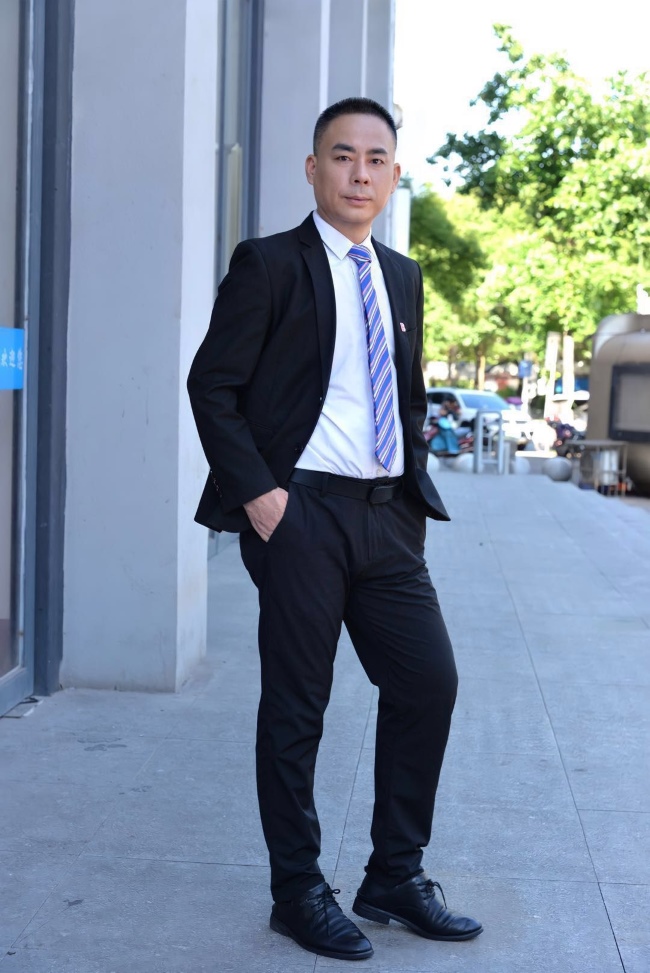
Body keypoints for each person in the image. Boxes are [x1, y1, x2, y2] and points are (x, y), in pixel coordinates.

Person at [187, 97, 481, 962]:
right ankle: (297, 890)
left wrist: (409, 487)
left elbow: (408, 392)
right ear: (313, 169)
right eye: (343, 156)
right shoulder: (269, 264)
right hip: (301, 513)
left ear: (394, 175)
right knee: (298, 706)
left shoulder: (403, 275)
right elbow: (213, 386)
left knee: (428, 682)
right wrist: (262, 498)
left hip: (387, 517)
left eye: (376, 159)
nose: (360, 173)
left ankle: (395, 873)